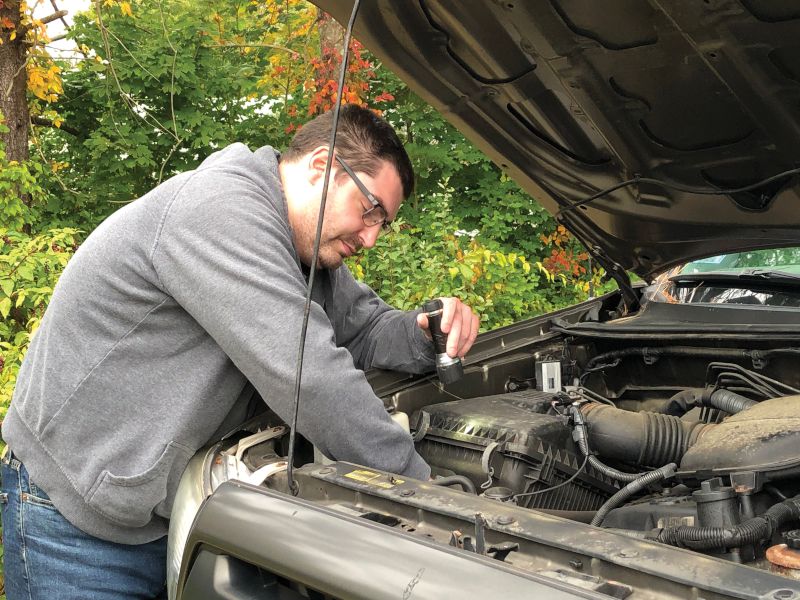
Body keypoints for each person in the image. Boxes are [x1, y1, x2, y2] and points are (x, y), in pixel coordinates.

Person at [1, 104, 479, 599]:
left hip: (165, 513)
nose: (372, 237)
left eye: (384, 223)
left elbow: (366, 330)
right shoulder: (220, 211)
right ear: (323, 167)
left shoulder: (303, 248)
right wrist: (433, 501)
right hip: (74, 519)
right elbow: (310, 381)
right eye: (371, 211)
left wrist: (425, 335)